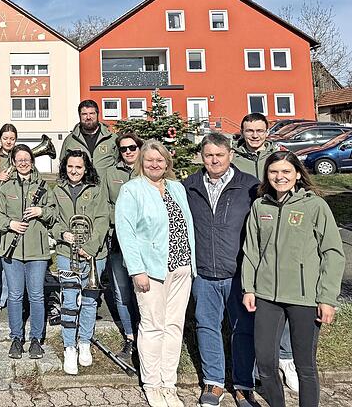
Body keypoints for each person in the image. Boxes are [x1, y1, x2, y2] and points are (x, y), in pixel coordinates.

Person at [242, 151, 345, 407]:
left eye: (286, 171)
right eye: (274, 171)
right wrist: (248, 288)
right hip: (267, 297)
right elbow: (251, 251)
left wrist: (327, 298)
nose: (280, 177)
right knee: (265, 363)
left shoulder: (314, 206)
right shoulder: (260, 206)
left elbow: (332, 252)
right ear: (267, 175)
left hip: (305, 297)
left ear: (298, 174)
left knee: (304, 365)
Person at [115, 140, 196, 407]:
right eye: (149, 160)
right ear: (141, 162)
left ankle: (168, 384)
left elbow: (186, 225)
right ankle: (152, 384)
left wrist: (191, 263)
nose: (154, 164)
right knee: (152, 326)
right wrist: (137, 270)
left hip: (181, 267)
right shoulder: (132, 190)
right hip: (150, 271)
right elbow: (126, 233)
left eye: (159, 160)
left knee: (174, 327)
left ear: (167, 163)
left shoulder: (177, 188)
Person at [183, 133, 260, 407]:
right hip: (203, 272)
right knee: (206, 326)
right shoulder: (189, 186)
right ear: (201, 157)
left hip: (238, 272)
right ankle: (214, 382)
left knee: (242, 328)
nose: (214, 160)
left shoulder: (250, 186)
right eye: (208, 155)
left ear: (231, 155)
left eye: (219, 155)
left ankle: (242, 385)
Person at [233, 112, 297, 390]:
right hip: (245, 230)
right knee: (254, 296)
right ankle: (261, 361)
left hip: (278, 231)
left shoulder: (279, 157)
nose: (255, 135)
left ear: (267, 131)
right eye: (249, 130)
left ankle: (286, 357)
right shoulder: (234, 157)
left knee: (281, 294)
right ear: (243, 131)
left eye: (259, 130)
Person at [50, 149, 109, 374]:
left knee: (90, 300)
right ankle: (69, 347)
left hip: (94, 253)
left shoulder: (96, 190)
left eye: (79, 167)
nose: (74, 171)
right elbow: (52, 219)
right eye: (71, 166)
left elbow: (103, 219)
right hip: (66, 252)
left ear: (86, 169)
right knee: (69, 299)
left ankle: (84, 342)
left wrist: (90, 247)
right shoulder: (58, 191)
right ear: (65, 167)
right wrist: (62, 233)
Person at [0, 144, 55, 360]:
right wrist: (10, 224)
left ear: (32, 160)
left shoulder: (43, 185)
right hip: (11, 248)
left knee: (37, 295)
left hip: (36, 250)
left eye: (26, 158)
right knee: (15, 295)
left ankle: (36, 339)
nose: (23, 162)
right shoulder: (6, 186)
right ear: (13, 162)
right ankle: (16, 338)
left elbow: (54, 212)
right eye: (18, 159)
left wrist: (41, 211)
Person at [103, 132, 143, 361]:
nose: (128, 152)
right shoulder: (111, 173)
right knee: (122, 293)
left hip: (142, 243)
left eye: (132, 147)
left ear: (139, 148)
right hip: (118, 240)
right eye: (123, 149)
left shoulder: (147, 170)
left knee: (143, 292)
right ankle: (130, 337)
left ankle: (145, 338)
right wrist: (122, 219)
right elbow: (105, 204)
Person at [0, 123, 17, 312]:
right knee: (2, 254)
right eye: (5, 138)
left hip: (15, 209)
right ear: (0, 139)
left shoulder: (19, 157)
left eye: (12, 138)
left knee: (12, 254)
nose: (8, 141)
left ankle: (12, 295)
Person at [61, 99, 118, 177]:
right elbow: (63, 167)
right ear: (79, 116)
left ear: (97, 114)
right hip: (81, 188)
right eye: (84, 114)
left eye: (92, 113)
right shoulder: (70, 140)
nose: (88, 117)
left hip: (106, 187)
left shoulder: (112, 139)